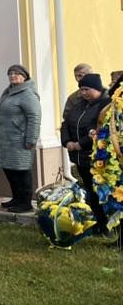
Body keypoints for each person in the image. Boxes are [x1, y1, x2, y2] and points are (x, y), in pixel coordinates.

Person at [0, 64, 42, 213]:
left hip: (20, 141)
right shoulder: (8, 92)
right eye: (10, 73)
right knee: (10, 171)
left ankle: (25, 202)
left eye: (16, 73)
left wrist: (31, 140)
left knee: (21, 172)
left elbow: (34, 118)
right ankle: (16, 198)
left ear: (24, 76)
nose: (12, 76)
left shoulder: (28, 94)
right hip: (6, 140)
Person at [61, 73, 110, 219]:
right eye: (81, 90)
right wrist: (67, 142)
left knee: (102, 192)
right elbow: (65, 124)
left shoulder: (105, 105)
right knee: (90, 191)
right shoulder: (79, 105)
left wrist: (79, 144)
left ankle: (110, 224)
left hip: (97, 158)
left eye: (87, 89)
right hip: (80, 158)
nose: (83, 93)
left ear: (97, 88)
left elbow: (98, 129)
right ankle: (99, 224)